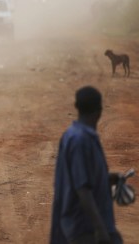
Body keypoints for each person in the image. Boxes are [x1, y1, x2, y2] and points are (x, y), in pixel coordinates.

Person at [50, 86, 123, 244]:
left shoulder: (74, 135)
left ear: (77, 107)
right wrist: (101, 230)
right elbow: (82, 189)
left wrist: (106, 178)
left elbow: (79, 177)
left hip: (81, 225)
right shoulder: (81, 140)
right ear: (100, 110)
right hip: (85, 228)